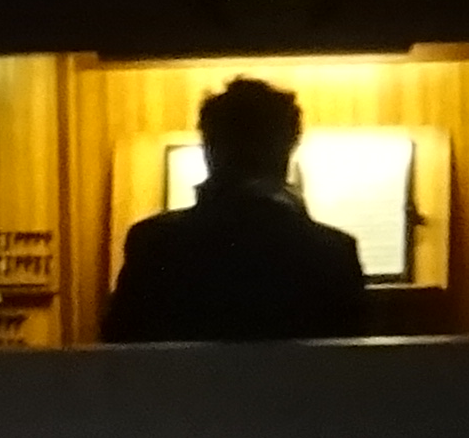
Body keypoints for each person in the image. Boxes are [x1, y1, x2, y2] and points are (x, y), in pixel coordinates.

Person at [104, 72, 374, 343]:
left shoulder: (154, 242)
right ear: (289, 147)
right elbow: (351, 360)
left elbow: (119, 347)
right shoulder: (332, 252)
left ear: (209, 147)